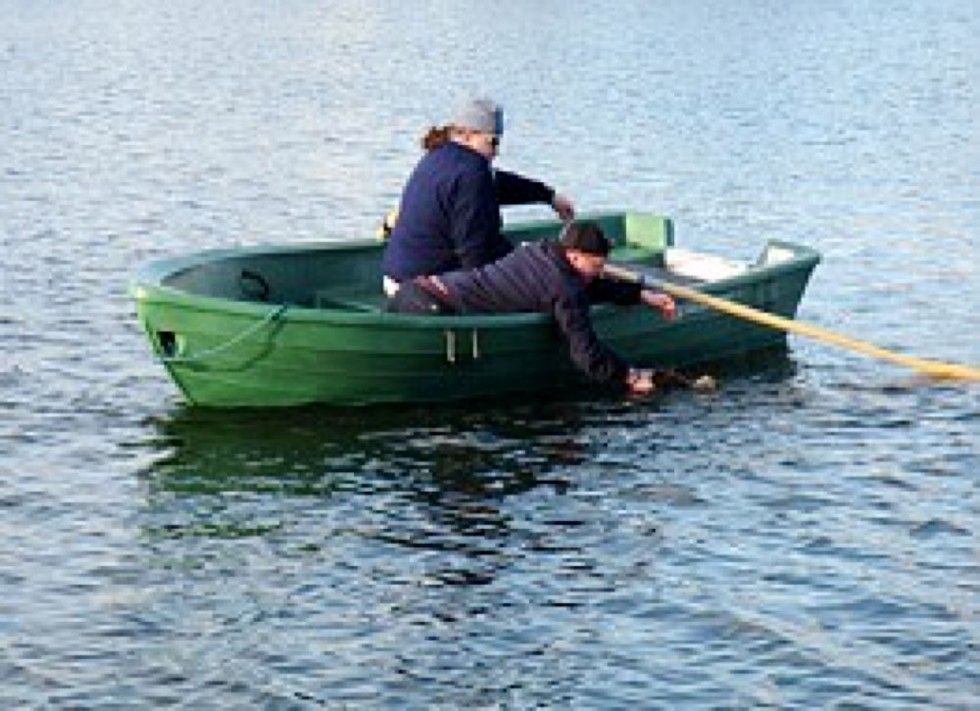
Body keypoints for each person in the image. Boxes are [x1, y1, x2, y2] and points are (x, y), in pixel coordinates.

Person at [386, 222, 677, 395]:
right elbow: (585, 353)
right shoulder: (565, 286)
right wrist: (631, 376)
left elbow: (588, 286)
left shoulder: (540, 251)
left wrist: (641, 295)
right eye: (596, 266)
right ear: (574, 257)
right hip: (433, 309)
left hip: (412, 290)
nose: (599, 272)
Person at [381, 98, 575, 295]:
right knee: (549, 275)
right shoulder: (472, 172)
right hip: (424, 290)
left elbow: (497, 183)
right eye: (492, 142)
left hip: (397, 278)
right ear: (468, 135)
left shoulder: (439, 156)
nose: (496, 151)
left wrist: (549, 196)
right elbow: (475, 252)